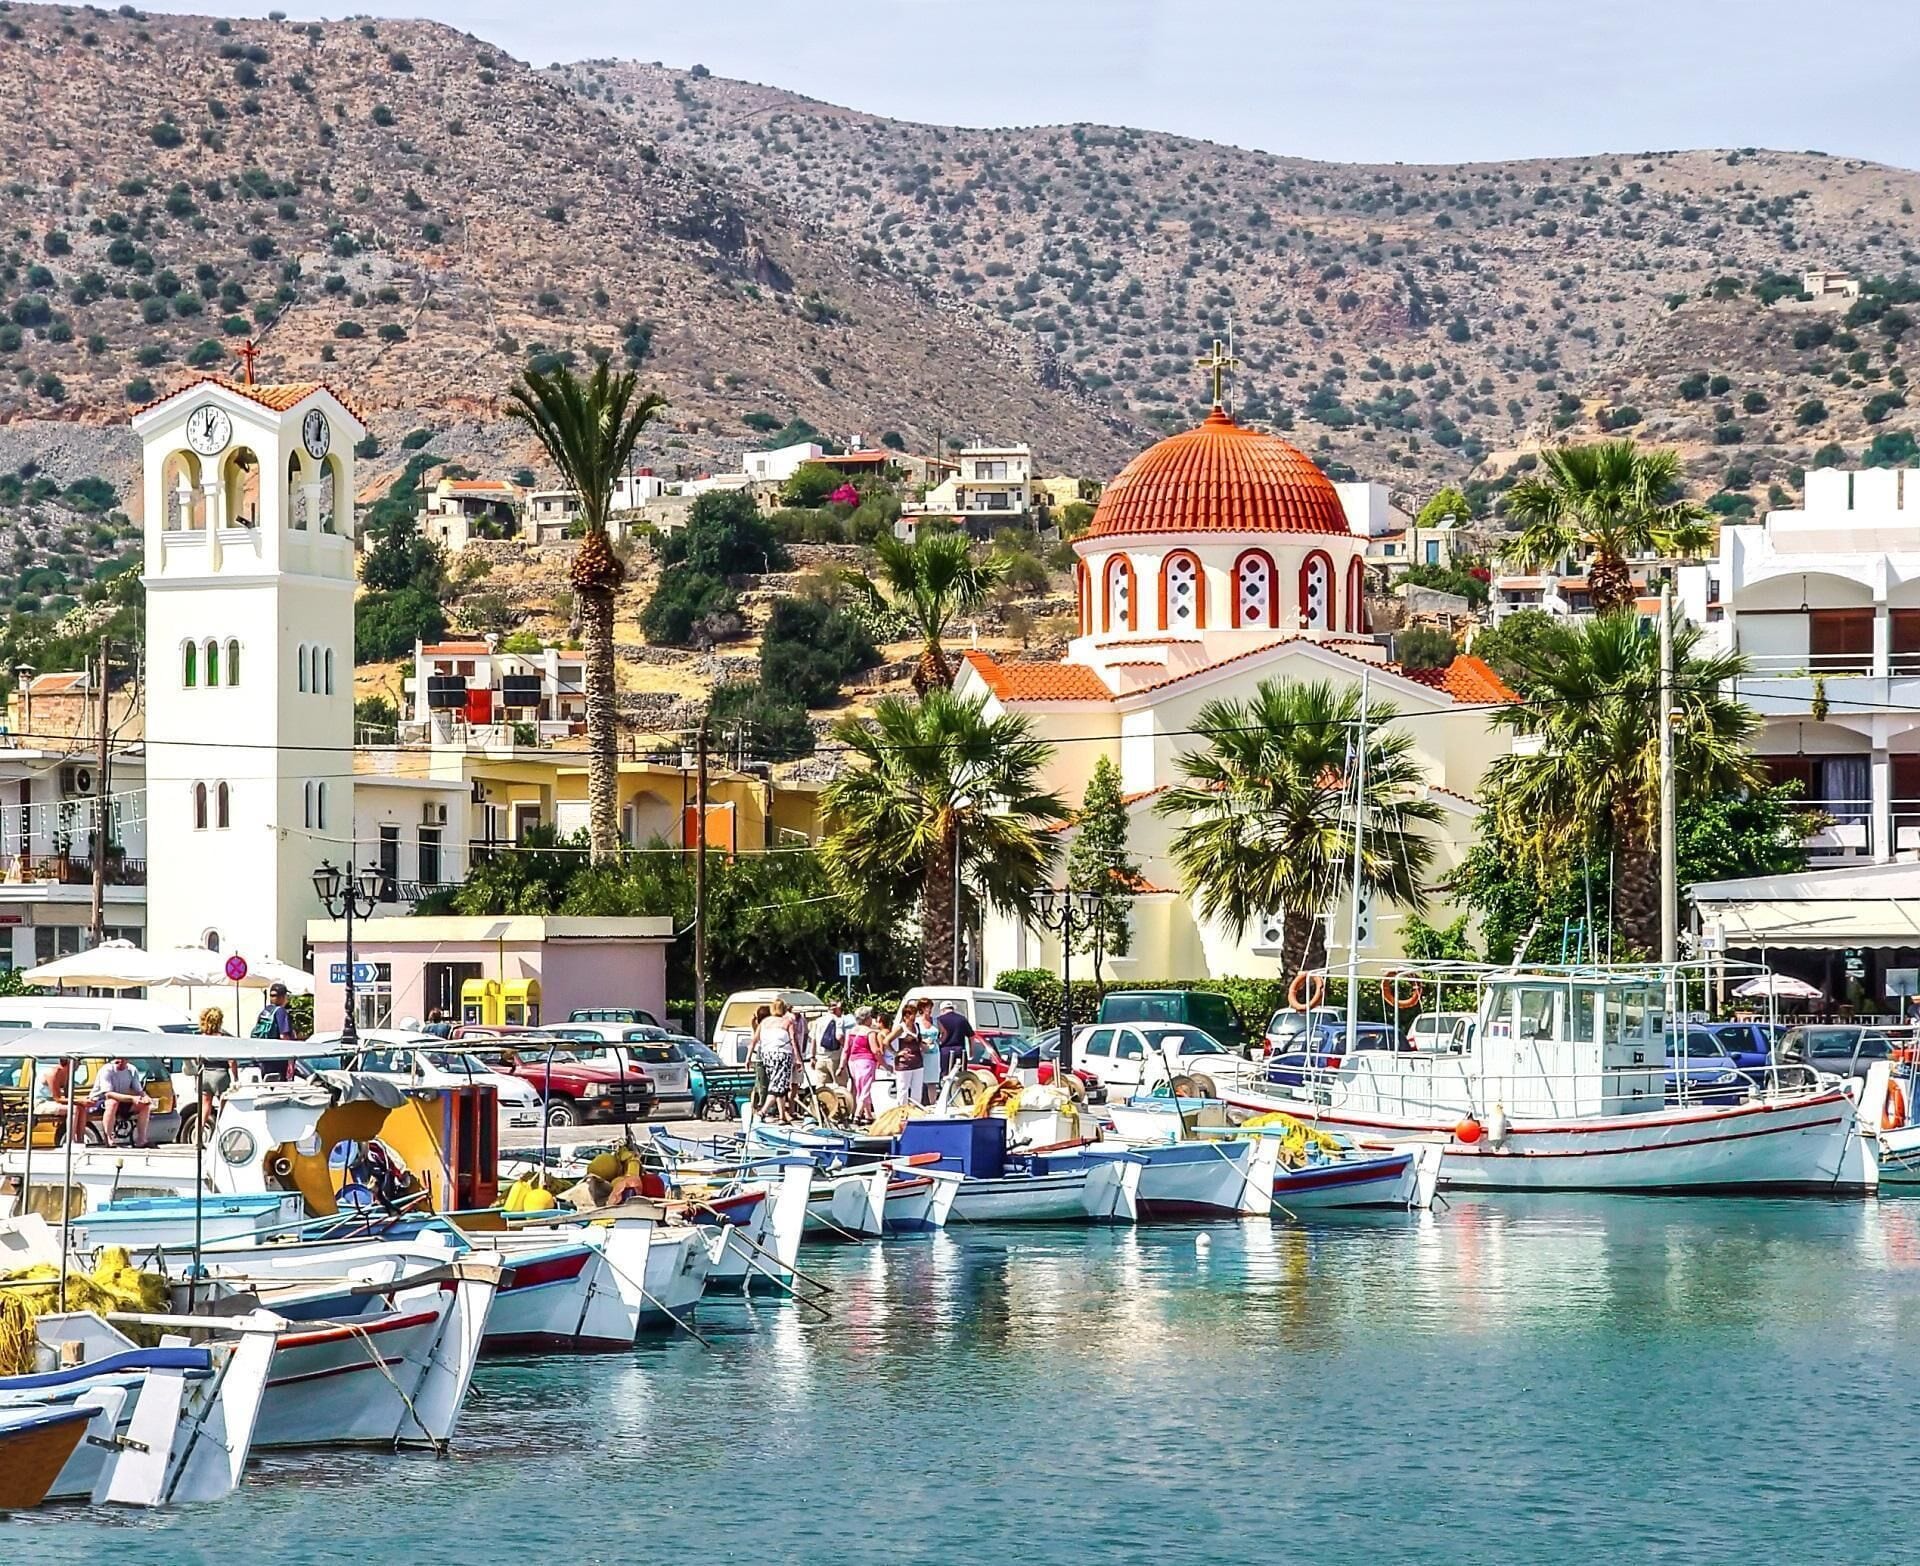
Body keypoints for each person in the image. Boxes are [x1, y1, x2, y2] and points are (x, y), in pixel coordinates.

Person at [89, 1057, 153, 1147]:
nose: (121, 1062)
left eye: (124, 1059)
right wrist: (131, 1098)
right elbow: (108, 1094)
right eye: (118, 1060)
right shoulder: (107, 1070)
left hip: (123, 1100)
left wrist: (146, 1098)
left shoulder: (132, 1070)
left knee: (145, 1106)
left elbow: (139, 1090)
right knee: (112, 1103)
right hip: (100, 1101)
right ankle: (108, 1139)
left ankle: (141, 1140)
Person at [756, 1000, 798, 1123]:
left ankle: (782, 1116)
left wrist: (748, 1057)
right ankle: (762, 1112)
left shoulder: (764, 1022)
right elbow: (793, 1041)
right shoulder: (787, 1022)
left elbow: (755, 1040)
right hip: (783, 1056)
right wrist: (798, 1059)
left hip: (767, 1056)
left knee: (780, 1086)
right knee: (777, 1087)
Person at [197, 1007, 235, 1133]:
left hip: (205, 1073)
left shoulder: (201, 1037)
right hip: (220, 1073)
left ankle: (198, 1135)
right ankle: (221, 1134)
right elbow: (232, 1060)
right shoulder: (224, 1038)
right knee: (224, 1107)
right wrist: (236, 1078)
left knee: (204, 1106)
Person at [843, 1008, 880, 1120]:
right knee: (866, 1088)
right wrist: (884, 1063)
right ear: (867, 1018)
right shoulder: (869, 1032)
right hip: (866, 1061)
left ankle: (867, 1114)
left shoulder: (851, 1031)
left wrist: (842, 1064)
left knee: (860, 1088)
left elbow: (846, 1049)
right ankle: (858, 1114)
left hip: (852, 1061)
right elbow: (875, 1050)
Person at [888, 1003, 926, 1110]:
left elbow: (919, 1041)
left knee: (917, 1089)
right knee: (903, 1089)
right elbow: (886, 1041)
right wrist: (896, 1053)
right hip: (904, 1063)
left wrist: (923, 1044)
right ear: (905, 1016)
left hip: (917, 1062)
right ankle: (902, 1111)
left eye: (915, 1015)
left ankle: (915, 1111)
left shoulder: (917, 1026)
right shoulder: (901, 1028)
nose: (913, 1018)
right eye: (911, 1016)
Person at [935, 1001, 975, 1094]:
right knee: (960, 1075)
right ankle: (958, 1095)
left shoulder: (939, 1020)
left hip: (944, 1051)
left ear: (943, 1010)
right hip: (960, 1051)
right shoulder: (962, 1019)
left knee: (944, 1075)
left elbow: (936, 1037)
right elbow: (971, 1036)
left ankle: (944, 1095)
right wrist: (971, 1051)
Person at [818, 1001, 845, 1083]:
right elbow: (839, 1036)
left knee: (823, 1088)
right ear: (837, 1009)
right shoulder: (838, 1020)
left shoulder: (819, 1020)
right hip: (834, 1058)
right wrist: (846, 1046)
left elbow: (813, 1040)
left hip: (820, 1058)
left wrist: (812, 1056)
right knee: (840, 1086)